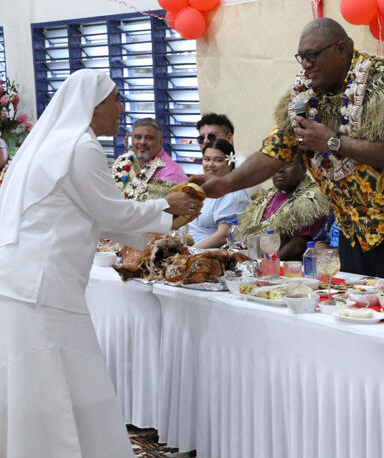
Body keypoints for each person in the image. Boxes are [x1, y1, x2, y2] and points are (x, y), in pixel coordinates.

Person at [0, 69, 201, 458]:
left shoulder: (53, 143)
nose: (122, 110)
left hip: (21, 278)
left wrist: (163, 218)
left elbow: (101, 217)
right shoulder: (80, 146)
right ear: (93, 107)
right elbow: (113, 214)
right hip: (44, 283)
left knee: (38, 379)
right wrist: (167, 209)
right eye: (115, 100)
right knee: (58, 376)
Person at [196, 17, 384, 280]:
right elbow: (274, 151)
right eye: (301, 57)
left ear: (341, 49)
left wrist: (331, 142)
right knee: (357, 303)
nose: (306, 64)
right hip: (353, 225)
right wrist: (225, 184)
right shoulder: (304, 96)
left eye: (312, 55)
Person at [239, 160, 330, 261]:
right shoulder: (269, 195)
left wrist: (267, 263)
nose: (279, 169)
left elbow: (299, 245)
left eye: (288, 164)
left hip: (290, 268)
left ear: (303, 168)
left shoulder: (312, 198)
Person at [187, 139, 251, 248]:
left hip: (210, 256)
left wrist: (189, 253)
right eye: (207, 159)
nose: (210, 165)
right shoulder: (202, 187)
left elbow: (224, 235)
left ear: (230, 164)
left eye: (218, 160)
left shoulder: (233, 193)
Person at [111, 117, 187, 200]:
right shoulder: (124, 161)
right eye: (137, 137)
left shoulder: (172, 173)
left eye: (149, 138)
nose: (142, 142)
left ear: (160, 141)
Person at [196, 112, 262, 196]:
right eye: (201, 138)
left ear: (229, 138)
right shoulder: (204, 168)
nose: (205, 141)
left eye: (211, 137)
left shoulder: (244, 169)